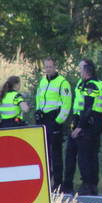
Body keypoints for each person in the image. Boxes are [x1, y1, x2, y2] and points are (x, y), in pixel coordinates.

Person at [62, 58, 102, 195]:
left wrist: (79, 127)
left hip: (89, 123)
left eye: (81, 69)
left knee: (85, 156)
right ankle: (85, 184)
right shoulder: (84, 84)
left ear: (87, 71)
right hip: (85, 120)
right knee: (84, 154)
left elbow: (88, 107)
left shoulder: (92, 85)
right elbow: (79, 106)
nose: (79, 71)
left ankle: (88, 185)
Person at [34, 58, 72, 191]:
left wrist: (58, 121)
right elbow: (39, 97)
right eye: (46, 67)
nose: (48, 69)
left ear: (55, 67)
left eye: (50, 67)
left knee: (56, 153)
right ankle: (47, 181)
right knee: (44, 152)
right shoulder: (43, 81)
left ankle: (58, 182)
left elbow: (66, 105)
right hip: (43, 118)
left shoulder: (63, 83)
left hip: (54, 118)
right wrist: (38, 111)